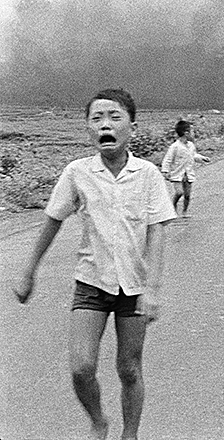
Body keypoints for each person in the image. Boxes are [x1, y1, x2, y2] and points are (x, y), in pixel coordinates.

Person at [13, 89, 177, 440]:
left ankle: (129, 434)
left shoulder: (148, 174)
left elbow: (158, 232)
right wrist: (29, 270)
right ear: (87, 128)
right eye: (97, 118)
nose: (105, 124)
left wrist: (153, 290)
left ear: (132, 126)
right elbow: (52, 221)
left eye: (114, 117)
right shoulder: (77, 172)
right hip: (91, 282)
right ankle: (99, 420)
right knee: (81, 368)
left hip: (133, 286)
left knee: (129, 369)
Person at [161, 120, 211, 217]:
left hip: (188, 173)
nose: (194, 134)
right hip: (177, 174)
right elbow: (167, 159)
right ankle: (173, 206)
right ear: (186, 133)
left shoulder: (191, 145)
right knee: (179, 192)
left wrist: (202, 158)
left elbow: (193, 156)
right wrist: (165, 171)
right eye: (192, 132)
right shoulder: (175, 147)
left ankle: (184, 211)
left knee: (187, 195)